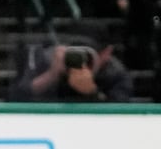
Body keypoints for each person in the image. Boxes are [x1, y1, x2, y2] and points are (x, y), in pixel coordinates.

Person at [8, 24, 137, 102]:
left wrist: (92, 93)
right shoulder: (47, 59)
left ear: (106, 53)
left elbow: (121, 119)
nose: (81, 59)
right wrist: (51, 75)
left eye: (87, 53)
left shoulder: (115, 74)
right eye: (75, 50)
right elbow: (13, 98)